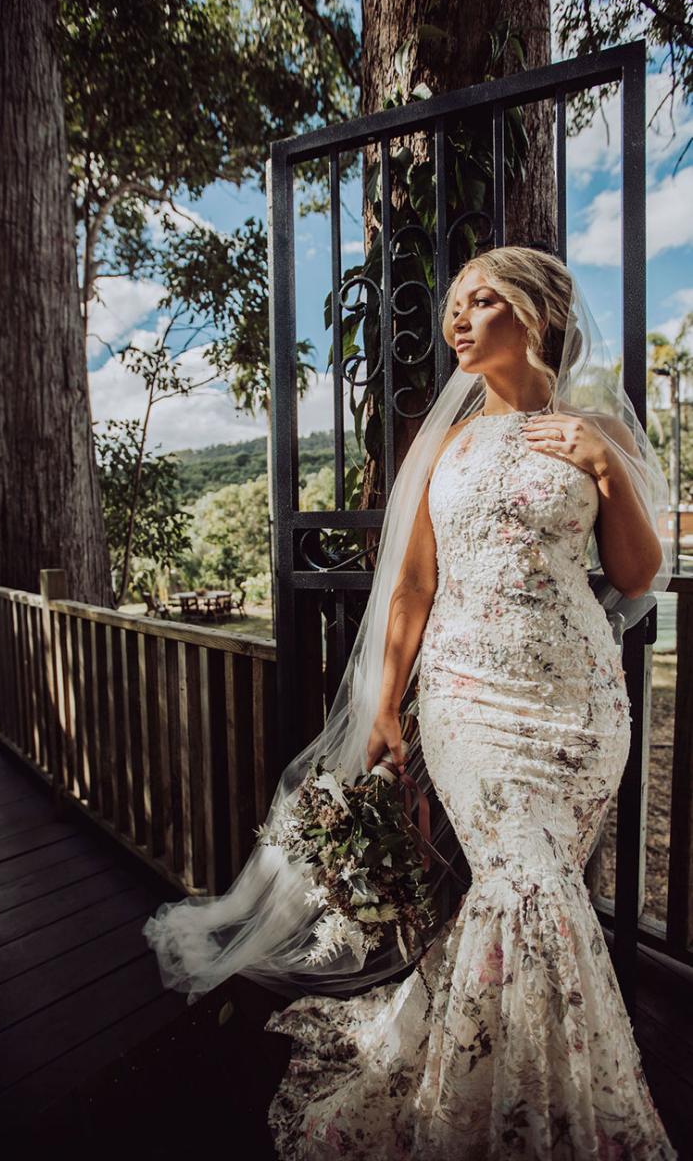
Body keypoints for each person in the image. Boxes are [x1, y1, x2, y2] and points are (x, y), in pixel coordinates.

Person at [143, 246, 677, 1159]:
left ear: (535, 315)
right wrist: (387, 705)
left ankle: (502, 1092)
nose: (457, 320)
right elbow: (412, 589)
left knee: (536, 896)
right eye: (451, 307)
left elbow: (633, 577)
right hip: (468, 699)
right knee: (527, 890)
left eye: (481, 301)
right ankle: (524, 1113)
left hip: (577, 709)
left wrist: (605, 470)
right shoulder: (448, 443)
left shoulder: (599, 433)